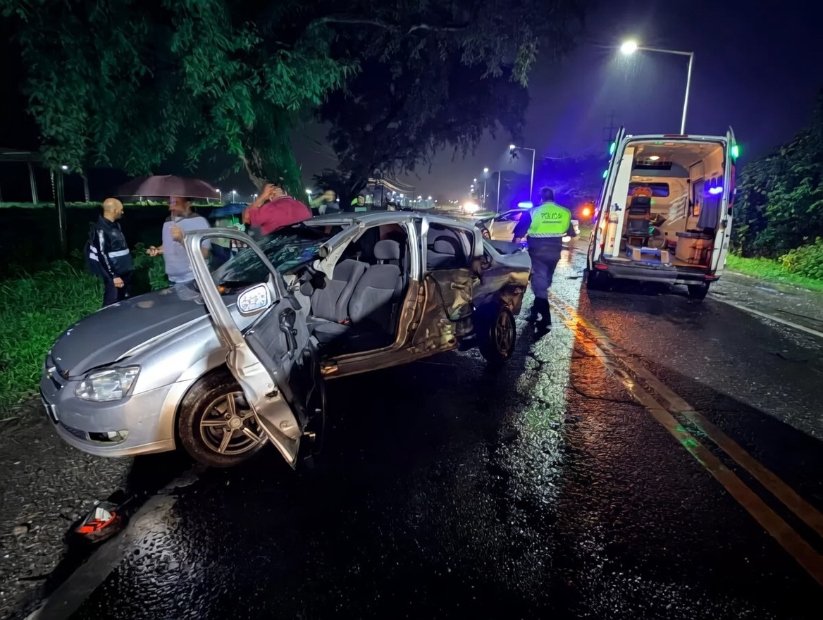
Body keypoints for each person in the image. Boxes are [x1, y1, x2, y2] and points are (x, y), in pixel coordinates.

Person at [513, 187, 577, 328]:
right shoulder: (564, 212)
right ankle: (534, 312)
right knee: (544, 283)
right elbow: (571, 233)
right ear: (553, 197)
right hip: (554, 254)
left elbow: (518, 233)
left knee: (539, 286)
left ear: (541, 198)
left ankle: (546, 319)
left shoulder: (533, 212)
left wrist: (513, 251)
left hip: (537, 254)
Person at [146, 196, 211, 286]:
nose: (171, 207)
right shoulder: (168, 222)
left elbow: (205, 254)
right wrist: (157, 250)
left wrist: (182, 240)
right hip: (172, 280)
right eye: (170, 203)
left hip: (194, 278)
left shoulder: (199, 221)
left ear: (188, 204)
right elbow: (167, 246)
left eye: (176, 203)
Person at [86, 198, 133, 307]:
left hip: (124, 271)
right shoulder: (101, 229)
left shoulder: (116, 225)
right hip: (116, 274)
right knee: (112, 302)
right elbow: (102, 254)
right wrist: (113, 276)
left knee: (125, 300)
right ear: (114, 210)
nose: (122, 212)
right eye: (121, 209)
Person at [243, 182, 311, 236]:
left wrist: (262, 197)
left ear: (270, 197)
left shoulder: (269, 208)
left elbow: (247, 219)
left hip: (275, 249)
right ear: (286, 193)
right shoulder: (301, 205)